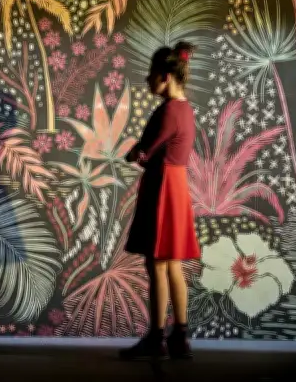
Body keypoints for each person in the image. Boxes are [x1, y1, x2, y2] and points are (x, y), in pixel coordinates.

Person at [120, 41, 200, 361]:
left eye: (151, 74)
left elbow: (144, 151)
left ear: (165, 76)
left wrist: (134, 153)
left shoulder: (167, 111)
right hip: (177, 185)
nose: (147, 80)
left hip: (162, 186)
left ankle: (156, 339)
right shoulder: (186, 109)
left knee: (156, 264)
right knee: (172, 263)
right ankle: (180, 337)